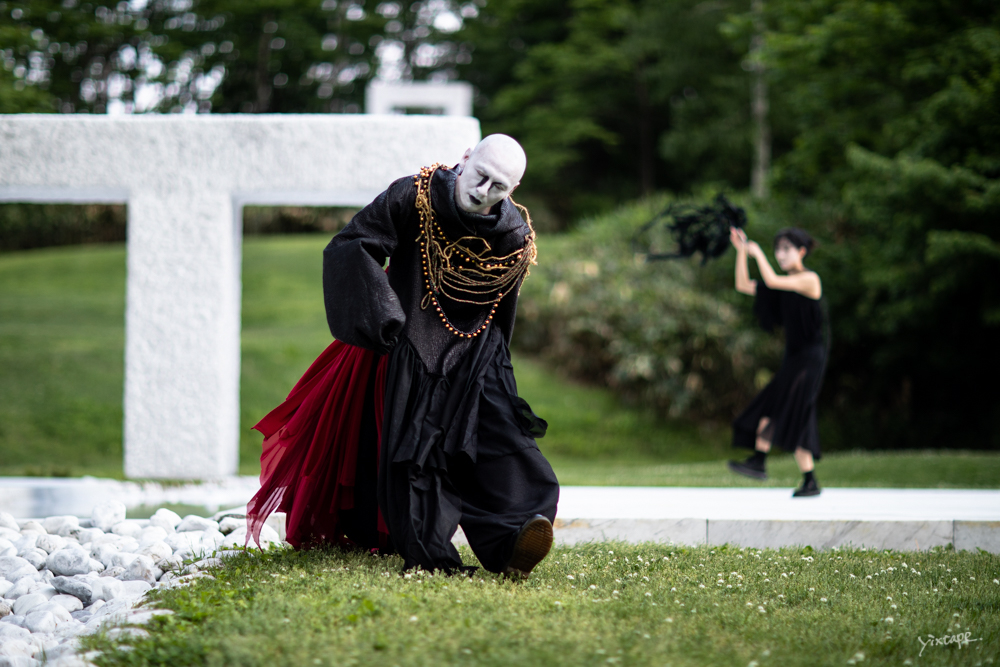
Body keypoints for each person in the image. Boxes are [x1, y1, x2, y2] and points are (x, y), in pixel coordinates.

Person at [245, 134, 560, 577]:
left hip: (474, 353)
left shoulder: (513, 236)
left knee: (502, 438)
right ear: (465, 158)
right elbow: (354, 244)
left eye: (499, 187)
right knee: (418, 455)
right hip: (410, 340)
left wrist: (496, 371)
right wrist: (383, 314)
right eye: (480, 175)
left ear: (514, 192)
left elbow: (500, 305)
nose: (483, 191)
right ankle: (431, 554)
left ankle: (516, 540)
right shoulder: (414, 197)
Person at [727, 226, 827, 497]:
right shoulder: (782, 286)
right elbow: (743, 285)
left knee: (790, 409)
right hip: (794, 357)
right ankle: (805, 478)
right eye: (777, 250)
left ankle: (763, 461)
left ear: (802, 252)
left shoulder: (809, 280)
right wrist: (740, 253)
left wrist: (757, 253)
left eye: (786, 250)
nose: (780, 255)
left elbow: (771, 280)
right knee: (779, 408)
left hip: (810, 357)